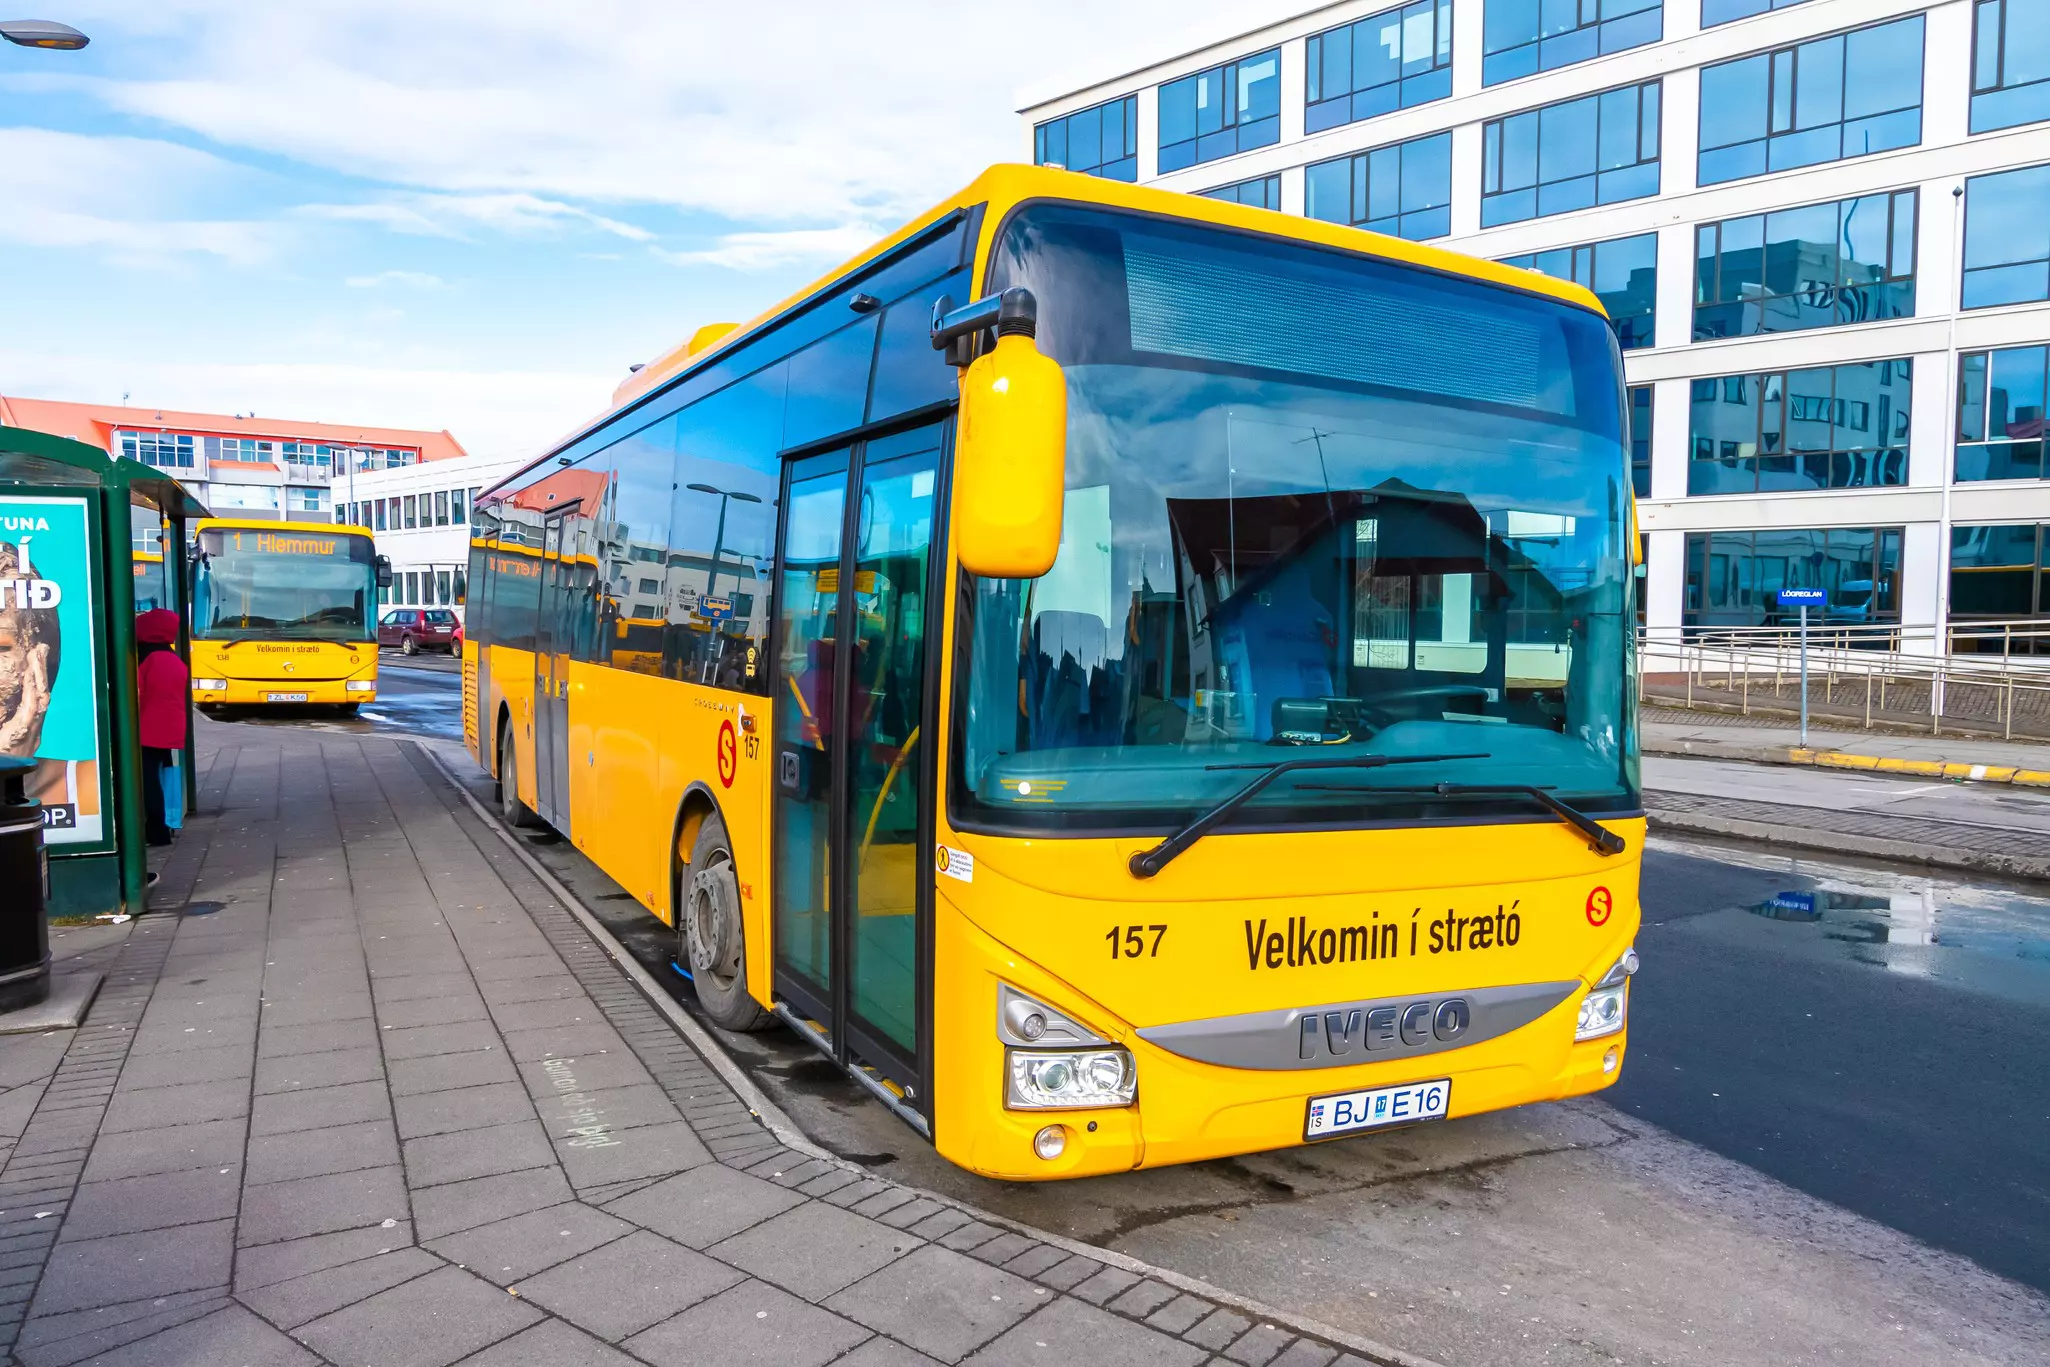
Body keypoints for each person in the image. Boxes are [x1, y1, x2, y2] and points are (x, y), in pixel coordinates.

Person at [134, 609, 187, 848]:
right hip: (167, 728)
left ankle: (156, 832)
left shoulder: (146, 657)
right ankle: (161, 828)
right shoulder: (172, 658)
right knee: (156, 778)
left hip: (147, 729)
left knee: (148, 782)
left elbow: (137, 695)